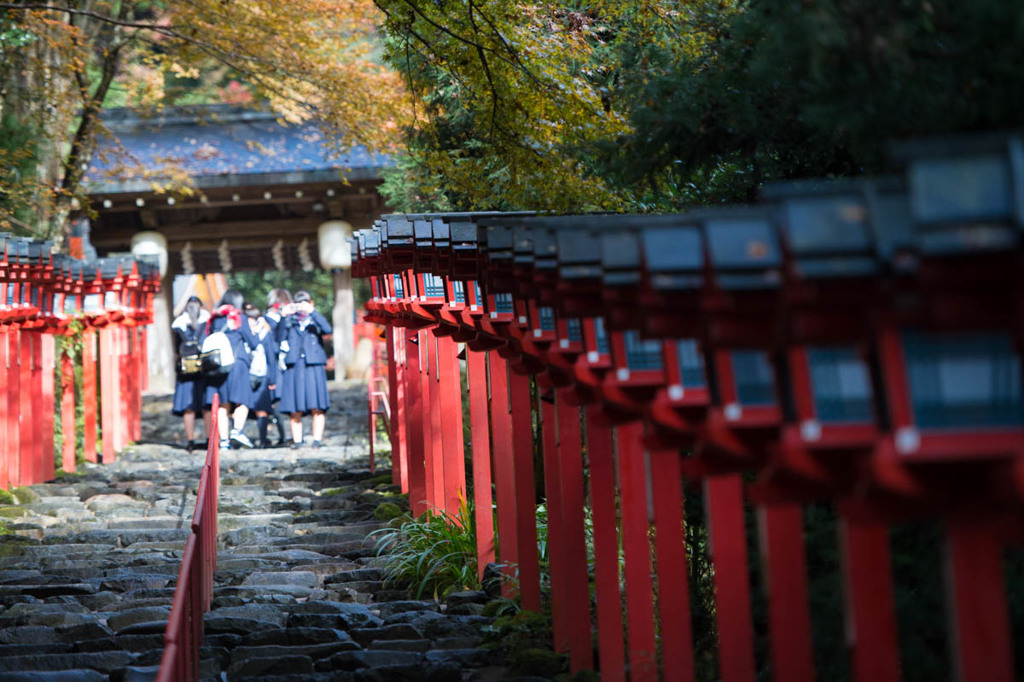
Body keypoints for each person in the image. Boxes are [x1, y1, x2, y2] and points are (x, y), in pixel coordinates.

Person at [204, 289, 260, 450]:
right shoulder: (240, 319)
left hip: (220, 366)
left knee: (223, 404)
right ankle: (237, 430)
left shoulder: (215, 319)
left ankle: (224, 441)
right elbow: (253, 343)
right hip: (238, 364)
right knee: (242, 400)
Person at [276, 290, 332, 448]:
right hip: (294, 365)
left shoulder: (315, 320)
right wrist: (283, 316)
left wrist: (312, 312)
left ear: (311, 303)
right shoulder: (290, 321)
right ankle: (297, 440)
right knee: (294, 406)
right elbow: (278, 338)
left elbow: (327, 329)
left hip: (313, 364)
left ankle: (317, 440)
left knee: (317, 405)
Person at [171, 296, 210, 453]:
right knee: (206, 406)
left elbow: (176, 349)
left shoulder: (178, 325)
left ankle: (190, 441)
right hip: (203, 370)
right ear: (200, 307)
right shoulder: (207, 322)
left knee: (188, 408)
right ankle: (209, 439)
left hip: (185, 372)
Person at [244, 302, 278, 448]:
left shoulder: (265, 334)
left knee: (262, 409)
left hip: (261, 373)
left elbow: (271, 357)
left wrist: (273, 378)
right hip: (247, 373)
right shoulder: (244, 332)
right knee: (241, 407)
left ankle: (263, 440)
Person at [263, 289, 293, 446]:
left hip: (285, 364)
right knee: (274, 400)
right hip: (272, 364)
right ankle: (274, 436)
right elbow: (277, 339)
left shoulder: (290, 318)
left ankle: (282, 436)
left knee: (278, 400)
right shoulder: (266, 319)